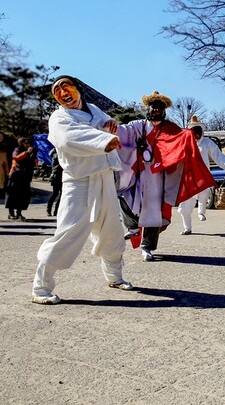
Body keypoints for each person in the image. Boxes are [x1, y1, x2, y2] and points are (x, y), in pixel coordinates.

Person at [31, 75, 132, 304]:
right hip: (78, 181)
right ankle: (41, 288)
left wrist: (111, 124)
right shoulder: (59, 117)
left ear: (77, 89)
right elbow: (68, 138)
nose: (63, 93)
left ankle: (115, 277)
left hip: (104, 177)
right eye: (57, 91)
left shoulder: (94, 109)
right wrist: (103, 140)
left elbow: (108, 123)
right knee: (69, 232)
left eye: (66, 87)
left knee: (112, 230)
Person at [116, 91, 216, 261]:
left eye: (160, 107)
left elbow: (181, 139)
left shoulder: (171, 129)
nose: (156, 109)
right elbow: (122, 131)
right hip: (137, 172)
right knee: (122, 193)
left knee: (154, 212)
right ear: (148, 108)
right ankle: (132, 226)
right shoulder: (138, 126)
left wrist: (188, 135)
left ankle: (147, 247)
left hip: (159, 176)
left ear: (164, 111)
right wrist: (107, 125)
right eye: (153, 106)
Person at [177, 116, 225, 234]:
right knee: (185, 203)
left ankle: (201, 212)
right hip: (188, 175)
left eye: (198, 130)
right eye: (194, 131)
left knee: (204, 192)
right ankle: (187, 228)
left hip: (202, 174)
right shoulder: (185, 143)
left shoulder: (207, 142)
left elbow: (218, 155)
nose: (196, 134)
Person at [5, 137, 37, 221]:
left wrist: (33, 155)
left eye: (28, 143)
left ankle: (19, 213)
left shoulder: (30, 152)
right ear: (21, 143)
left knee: (23, 196)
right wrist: (27, 152)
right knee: (12, 195)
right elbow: (16, 158)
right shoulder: (17, 150)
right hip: (16, 175)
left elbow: (36, 164)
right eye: (25, 143)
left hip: (25, 177)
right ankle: (11, 213)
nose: (28, 144)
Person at [0, 132, 9, 203]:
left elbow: (5, 161)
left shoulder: (3, 147)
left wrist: (7, 172)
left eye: (1, 137)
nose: (1, 138)